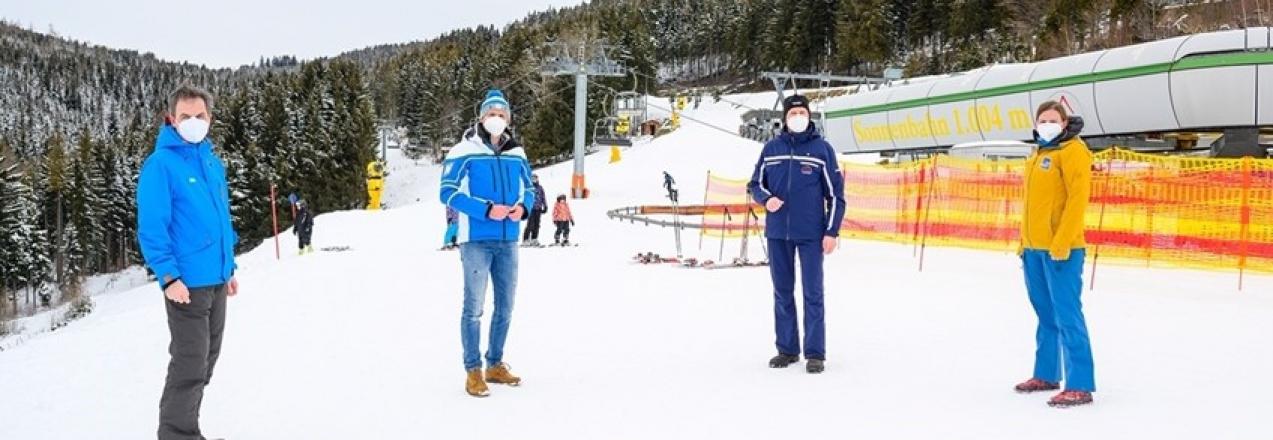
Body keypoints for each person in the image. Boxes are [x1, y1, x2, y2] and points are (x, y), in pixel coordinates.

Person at [137, 85, 240, 440]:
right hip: (186, 285)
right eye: (186, 117)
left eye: (200, 116)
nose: (193, 122)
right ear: (172, 119)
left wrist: (229, 269)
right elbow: (152, 227)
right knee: (190, 364)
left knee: (207, 361)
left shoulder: (211, 163)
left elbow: (220, 218)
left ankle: (187, 429)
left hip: (215, 280)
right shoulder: (161, 165)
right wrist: (168, 277)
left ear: (209, 119)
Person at [439, 89, 535, 397]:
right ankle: (473, 371)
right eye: (491, 114)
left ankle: (495, 364)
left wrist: (523, 208)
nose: (496, 119)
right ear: (481, 117)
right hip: (476, 241)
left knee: (505, 307)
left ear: (508, 119)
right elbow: (447, 192)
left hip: (508, 240)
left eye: (501, 114)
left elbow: (530, 188)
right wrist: (485, 209)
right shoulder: (462, 150)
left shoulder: (516, 153)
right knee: (475, 309)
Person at [746, 94, 845, 374]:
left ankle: (815, 353)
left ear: (809, 116)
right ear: (785, 118)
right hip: (778, 233)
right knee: (782, 292)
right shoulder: (771, 148)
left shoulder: (822, 150)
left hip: (811, 233)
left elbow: (836, 195)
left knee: (813, 292)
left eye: (803, 112)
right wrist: (766, 199)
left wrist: (831, 231)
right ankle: (787, 349)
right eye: (793, 113)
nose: (798, 116)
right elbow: (755, 183)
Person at [1014, 101, 1096, 408]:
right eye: (1042, 120)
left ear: (1064, 124)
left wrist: (1062, 241)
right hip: (1034, 250)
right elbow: (1032, 206)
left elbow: (1077, 200)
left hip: (1062, 250)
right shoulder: (1038, 155)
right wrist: (1024, 242)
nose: (1047, 124)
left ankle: (1080, 383)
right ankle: (1046, 374)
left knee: (1067, 315)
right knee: (1045, 314)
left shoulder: (1073, 151)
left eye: (1053, 120)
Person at [521, 174, 548, 246]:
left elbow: (543, 197)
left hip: (538, 208)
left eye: (535, 179)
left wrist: (545, 206)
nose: (534, 180)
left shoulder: (540, 188)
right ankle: (526, 239)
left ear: (537, 179)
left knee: (537, 225)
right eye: (532, 179)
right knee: (530, 224)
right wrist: (525, 206)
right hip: (531, 209)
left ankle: (534, 239)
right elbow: (525, 197)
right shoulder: (529, 188)